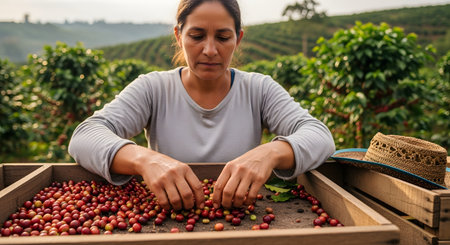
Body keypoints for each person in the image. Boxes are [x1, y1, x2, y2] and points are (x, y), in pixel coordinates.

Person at [68, 0, 335, 211]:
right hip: (170, 219)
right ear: (179, 36)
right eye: (196, 36)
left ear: (238, 39)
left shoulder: (258, 89)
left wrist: (269, 153)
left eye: (222, 37)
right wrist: (144, 160)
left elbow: (319, 136)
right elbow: (85, 136)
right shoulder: (153, 89)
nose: (209, 50)